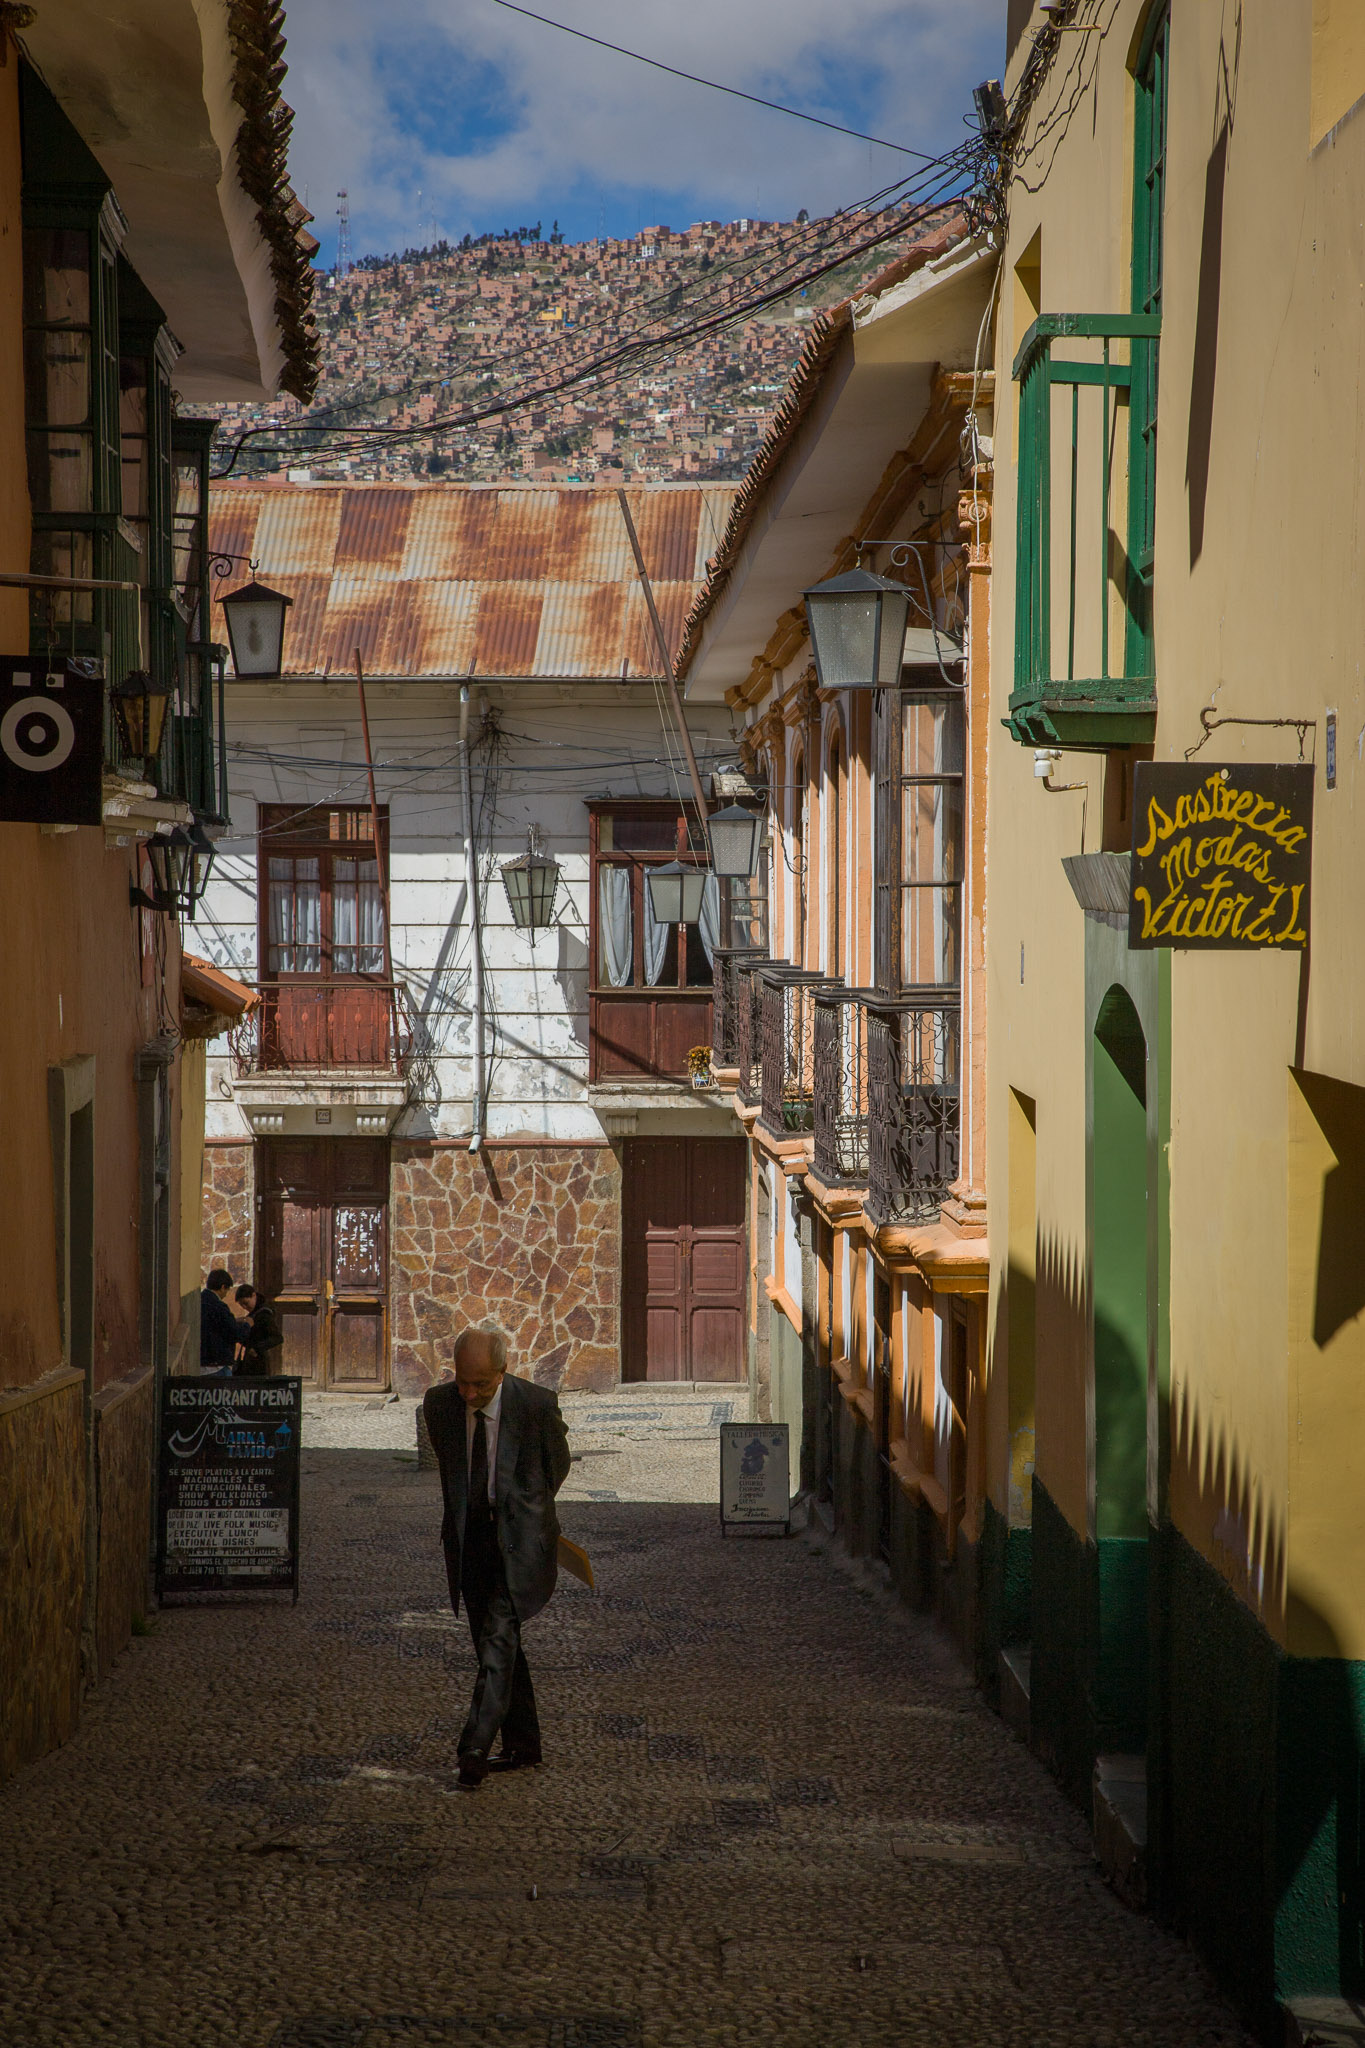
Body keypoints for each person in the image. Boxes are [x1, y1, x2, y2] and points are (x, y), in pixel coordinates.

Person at [422, 1327, 571, 1791]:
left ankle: (475, 1746)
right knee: (496, 1646)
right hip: (471, 1545)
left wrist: (527, 1512)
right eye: (462, 1381)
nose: (469, 1393)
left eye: (481, 1385)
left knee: (498, 1642)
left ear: (502, 1374)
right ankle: (525, 1746)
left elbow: (557, 1467)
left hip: (520, 1543)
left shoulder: (535, 1406)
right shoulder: (439, 1405)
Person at [233, 1284, 283, 1376]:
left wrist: (256, 1348)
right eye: (242, 1305)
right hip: (250, 1360)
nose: (244, 1307)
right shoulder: (253, 1314)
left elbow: (277, 1338)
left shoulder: (264, 1314)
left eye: (246, 1303)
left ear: (253, 1295)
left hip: (259, 1362)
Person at [200, 1268, 238, 1374]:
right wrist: (247, 1325)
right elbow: (233, 1332)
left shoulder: (200, 1301)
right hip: (217, 1364)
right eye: (227, 1290)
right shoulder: (219, 1306)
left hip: (202, 1363)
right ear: (222, 1287)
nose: (226, 1294)